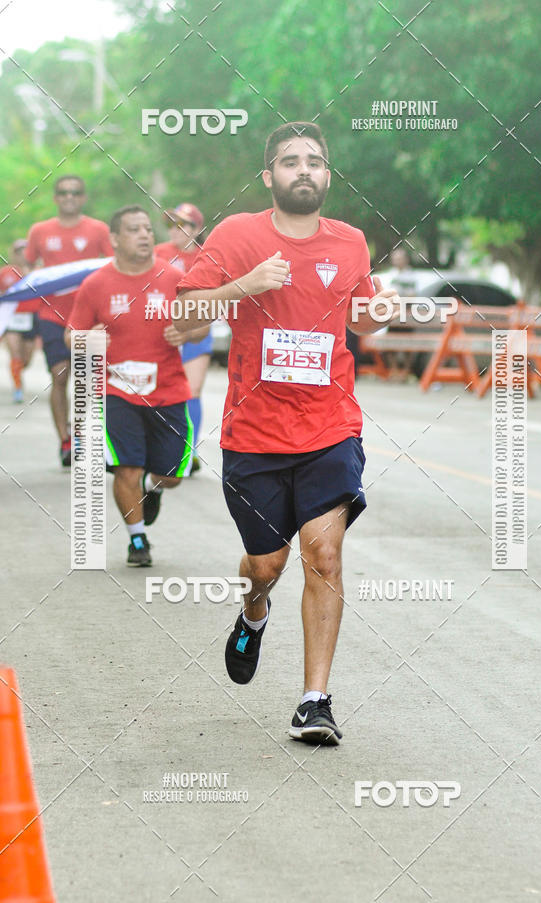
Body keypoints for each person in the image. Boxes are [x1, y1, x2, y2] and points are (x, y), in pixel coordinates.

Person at [175, 122, 401, 745]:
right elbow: (185, 312)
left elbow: (361, 319)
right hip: (254, 432)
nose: (304, 169)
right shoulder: (236, 234)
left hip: (330, 425)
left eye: (315, 161)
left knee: (323, 554)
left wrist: (379, 314)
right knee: (266, 563)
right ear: (268, 175)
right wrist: (243, 286)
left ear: (328, 175)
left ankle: (314, 701)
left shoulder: (351, 241)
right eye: (290, 160)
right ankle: (254, 613)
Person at [67, 205, 209, 566]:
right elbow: (71, 335)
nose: (145, 235)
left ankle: (151, 487)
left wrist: (186, 332)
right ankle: (137, 539)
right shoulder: (96, 284)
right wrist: (88, 339)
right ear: (115, 239)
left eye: (147, 228)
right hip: (116, 392)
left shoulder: (173, 277)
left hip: (168, 391)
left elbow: (203, 326)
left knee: (170, 476)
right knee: (126, 467)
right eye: (134, 229)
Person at [25, 175, 113, 466]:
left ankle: (82, 435)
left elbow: (112, 265)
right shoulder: (40, 231)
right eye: (63, 192)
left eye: (75, 192)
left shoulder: (98, 229)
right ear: (56, 198)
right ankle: (66, 441)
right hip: (51, 314)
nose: (69, 197)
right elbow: (28, 267)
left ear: (83, 197)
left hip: (88, 316)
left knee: (87, 380)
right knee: (60, 375)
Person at [156, 203, 213, 472]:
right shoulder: (159, 253)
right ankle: (164, 446)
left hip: (197, 331)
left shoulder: (208, 256)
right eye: (171, 224)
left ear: (197, 229)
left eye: (182, 225)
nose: (175, 230)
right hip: (162, 331)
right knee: (161, 390)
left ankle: (189, 451)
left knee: (192, 391)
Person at [1, 239, 37, 403]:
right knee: (15, 352)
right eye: (19, 252)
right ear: (14, 254)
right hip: (12, 318)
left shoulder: (37, 272)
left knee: (26, 359)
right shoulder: (6, 272)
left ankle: (18, 371)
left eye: (25, 252)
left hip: (31, 318)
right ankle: (18, 387)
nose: (23, 255)